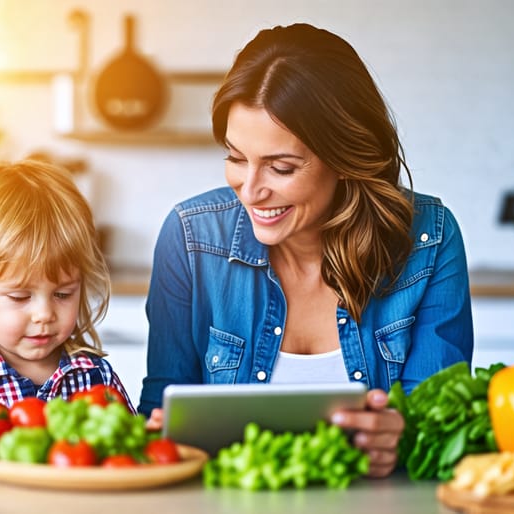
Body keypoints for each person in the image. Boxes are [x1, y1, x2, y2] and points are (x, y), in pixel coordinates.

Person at [139, 23, 473, 477]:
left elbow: (441, 429)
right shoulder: (191, 240)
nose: (251, 190)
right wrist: (158, 435)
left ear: (344, 157)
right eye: (236, 158)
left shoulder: (429, 241)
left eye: (280, 167)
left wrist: (404, 437)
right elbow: (159, 417)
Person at [0, 159, 135, 412]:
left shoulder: (96, 378)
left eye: (63, 294)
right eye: (20, 297)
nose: (44, 314)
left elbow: (128, 447)